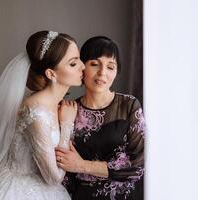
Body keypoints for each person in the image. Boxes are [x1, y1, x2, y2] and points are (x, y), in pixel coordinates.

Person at [0, 30, 85, 200]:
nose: (83, 66)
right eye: (73, 63)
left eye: (79, 58)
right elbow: (53, 178)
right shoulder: (37, 113)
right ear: (51, 74)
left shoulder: (53, 103)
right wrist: (67, 125)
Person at [55, 36, 145, 200]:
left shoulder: (129, 105)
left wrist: (82, 165)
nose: (102, 72)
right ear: (82, 67)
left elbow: (137, 165)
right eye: (95, 64)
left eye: (111, 67)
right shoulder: (68, 110)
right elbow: (62, 167)